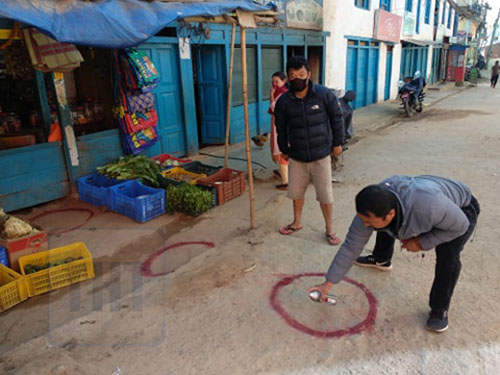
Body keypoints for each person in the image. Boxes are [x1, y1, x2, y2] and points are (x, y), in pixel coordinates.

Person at [308, 175, 480, 332]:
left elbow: (461, 226)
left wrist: (421, 243)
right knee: (382, 226)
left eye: (367, 220)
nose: (364, 224)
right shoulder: (374, 207)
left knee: (448, 256)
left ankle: (439, 309)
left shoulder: (429, 208)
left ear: (390, 214)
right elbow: (351, 246)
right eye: (362, 219)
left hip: (460, 211)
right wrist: (328, 284)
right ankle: (381, 259)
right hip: (418, 203)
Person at [274, 56, 345, 246]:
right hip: (297, 156)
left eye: (301, 74)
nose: (297, 78)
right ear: (288, 78)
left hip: (321, 154)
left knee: (325, 194)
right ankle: (297, 222)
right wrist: (283, 149)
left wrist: (338, 143)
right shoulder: (284, 102)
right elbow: (280, 128)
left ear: (309, 74)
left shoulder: (323, 94)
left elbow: (337, 118)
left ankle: (329, 228)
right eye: (293, 75)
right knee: (296, 193)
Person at [268, 72, 289, 190]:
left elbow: (275, 108)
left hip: (281, 126)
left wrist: (271, 96)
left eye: (277, 82)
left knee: (281, 151)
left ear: (284, 81)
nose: (274, 85)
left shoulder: (283, 95)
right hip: (278, 125)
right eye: (273, 82)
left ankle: (286, 182)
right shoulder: (281, 93)